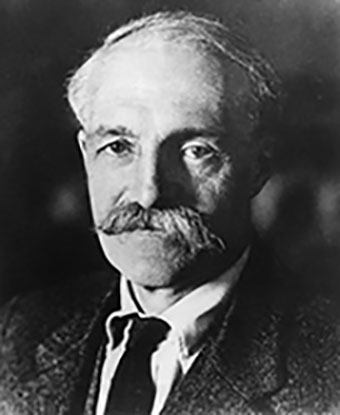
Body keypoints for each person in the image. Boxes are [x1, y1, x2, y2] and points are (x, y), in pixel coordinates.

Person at [0, 10, 339, 415]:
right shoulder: (18, 331)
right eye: (119, 147)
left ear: (259, 166)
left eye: (195, 151)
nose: (149, 192)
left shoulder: (326, 366)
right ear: (86, 154)